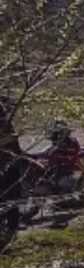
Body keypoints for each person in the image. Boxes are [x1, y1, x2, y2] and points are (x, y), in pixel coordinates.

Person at [0, 95, 24, 239]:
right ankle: (11, 228)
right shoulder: (5, 123)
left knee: (10, 198)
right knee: (11, 198)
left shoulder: (4, 124)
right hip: (9, 166)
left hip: (9, 165)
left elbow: (12, 144)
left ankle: (11, 228)